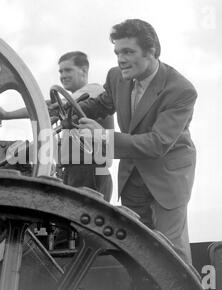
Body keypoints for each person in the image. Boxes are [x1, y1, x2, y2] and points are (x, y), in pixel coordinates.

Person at [77, 19, 197, 264]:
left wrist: (103, 137)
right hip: (132, 174)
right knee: (135, 248)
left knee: (172, 254)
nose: (120, 59)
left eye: (128, 52)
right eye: (118, 52)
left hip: (167, 177)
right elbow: (103, 103)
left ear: (151, 51)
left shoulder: (180, 89)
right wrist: (69, 109)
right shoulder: (116, 77)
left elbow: (157, 143)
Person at [0, 51, 114, 202]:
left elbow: (51, 106)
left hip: (90, 170)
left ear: (84, 70)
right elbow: (45, 107)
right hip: (73, 170)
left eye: (68, 70)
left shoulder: (94, 90)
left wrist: (11, 114)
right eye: (60, 71)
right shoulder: (69, 104)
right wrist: (7, 115)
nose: (63, 75)